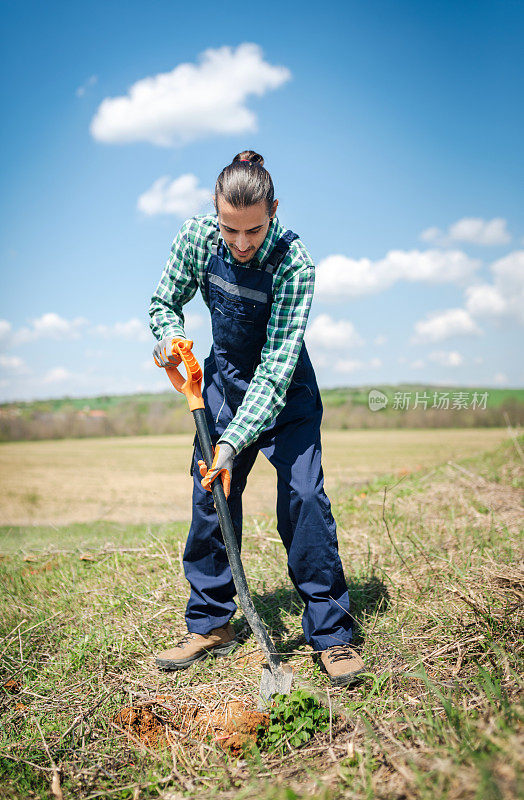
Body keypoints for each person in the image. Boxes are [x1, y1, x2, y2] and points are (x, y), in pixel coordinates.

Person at [149, 151, 364, 686]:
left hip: (284, 390)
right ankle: (211, 623)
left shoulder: (295, 264)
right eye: (230, 229)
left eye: (254, 229)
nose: (241, 243)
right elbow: (163, 301)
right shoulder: (196, 238)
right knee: (211, 493)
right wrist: (168, 340)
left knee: (305, 498)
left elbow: (274, 369)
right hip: (222, 381)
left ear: (274, 210)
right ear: (214, 213)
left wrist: (232, 442)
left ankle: (331, 634)